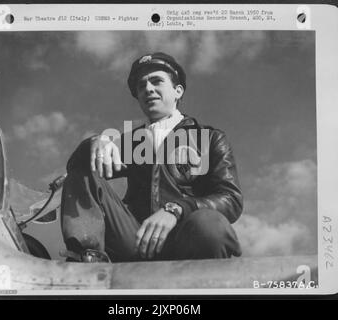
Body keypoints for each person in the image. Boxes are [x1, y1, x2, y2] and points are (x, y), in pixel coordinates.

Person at [60, 52, 243, 262]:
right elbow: (79, 169)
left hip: (187, 239)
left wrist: (176, 210)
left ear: (178, 91)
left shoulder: (210, 139)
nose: (147, 88)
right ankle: (88, 261)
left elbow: (231, 199)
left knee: (210, 224)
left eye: (156, 81)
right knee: (84, 167)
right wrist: (94, 143)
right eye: (141, 86)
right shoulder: (131, 142)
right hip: (135, 240)